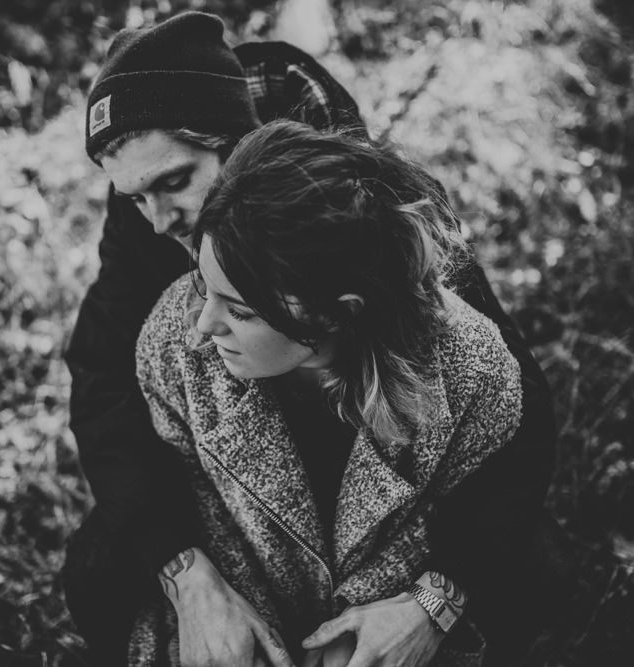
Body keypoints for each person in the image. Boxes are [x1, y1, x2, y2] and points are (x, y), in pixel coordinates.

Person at [63, 10, 557, 667]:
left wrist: (431, 601)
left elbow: (508, 410)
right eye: (131, 197)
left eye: (174, 183)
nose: (156, 222)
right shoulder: (150, 217)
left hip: (377, 509)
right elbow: (101, 379)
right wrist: (188, 575)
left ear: (239, 146)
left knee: (522, 568)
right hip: (243, 516)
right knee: (102, 564)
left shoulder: (370, 220)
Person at [132, 119, 530, 667]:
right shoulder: (173, 343)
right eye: (204, 283)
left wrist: (426, 608)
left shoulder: (471, 371)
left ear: (337, 314)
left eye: (241, 310)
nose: (204, 324)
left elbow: (491, 517)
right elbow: (167, 487)